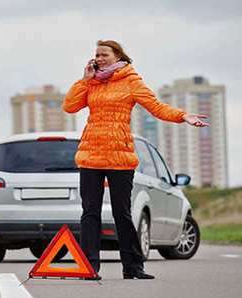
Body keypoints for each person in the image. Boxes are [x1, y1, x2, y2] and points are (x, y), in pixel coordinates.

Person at [63, 40, 208, 280]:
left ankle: (132, 267)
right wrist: (84, 80)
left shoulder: (131, 81)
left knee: (122, 213)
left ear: (118, 55)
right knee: (90, 212)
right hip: (90, 155)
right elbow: (70, 107)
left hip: (120, 156)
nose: (98, 58)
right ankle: (89, 267)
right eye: (96, 55)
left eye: (104, 54)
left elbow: (156, 107)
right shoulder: (92, 83)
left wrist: (183, 116)